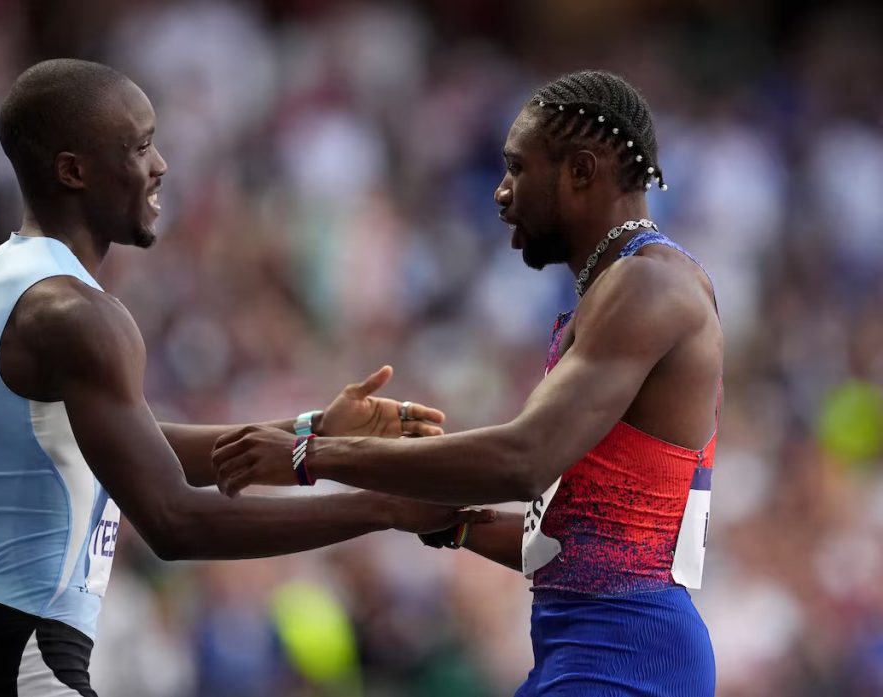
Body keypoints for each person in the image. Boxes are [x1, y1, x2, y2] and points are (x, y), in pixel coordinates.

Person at [0, 59, 489, 697]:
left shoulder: (9, 272)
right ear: (73, 170)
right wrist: (388, 508)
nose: (162, 166)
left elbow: (141, 449)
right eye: (141, 145)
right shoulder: (78, 315)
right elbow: (175, 522)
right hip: (16, 660)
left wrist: (311, 437)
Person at [212, 70, 723, 697]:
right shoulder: (615, 290)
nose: (502, 193)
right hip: (596, 650)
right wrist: (451, 525)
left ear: (581, 171)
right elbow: (583, 544)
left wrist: (310, 456)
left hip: (624, 658)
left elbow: (522, 460)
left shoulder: (648, 286)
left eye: (516, 169)